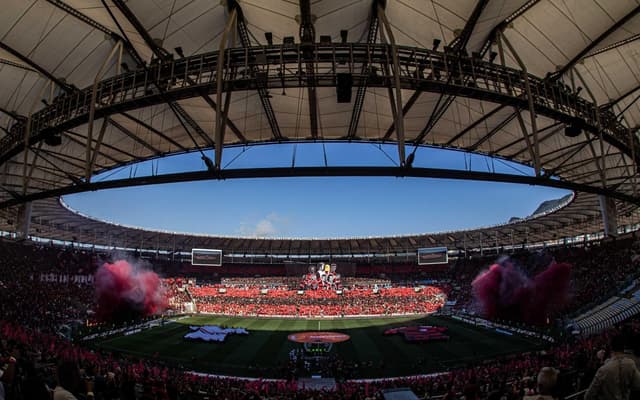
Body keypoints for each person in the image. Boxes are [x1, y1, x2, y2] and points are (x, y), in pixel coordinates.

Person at [585, 335, 640, 400]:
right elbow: (637, 385)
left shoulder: (603, 370)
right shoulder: (630, 364)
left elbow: (588, 396)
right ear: (623, 348)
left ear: (611, 348)